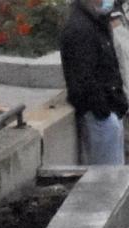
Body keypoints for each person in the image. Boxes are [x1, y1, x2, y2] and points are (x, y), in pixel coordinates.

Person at [60, 0, 129, 165]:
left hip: (110, 112)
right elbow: (83, 79)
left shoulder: (96, 21)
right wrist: (103, 112)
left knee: (115, 173)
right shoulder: (80, 29)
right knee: (107, 175)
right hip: (100, 117)